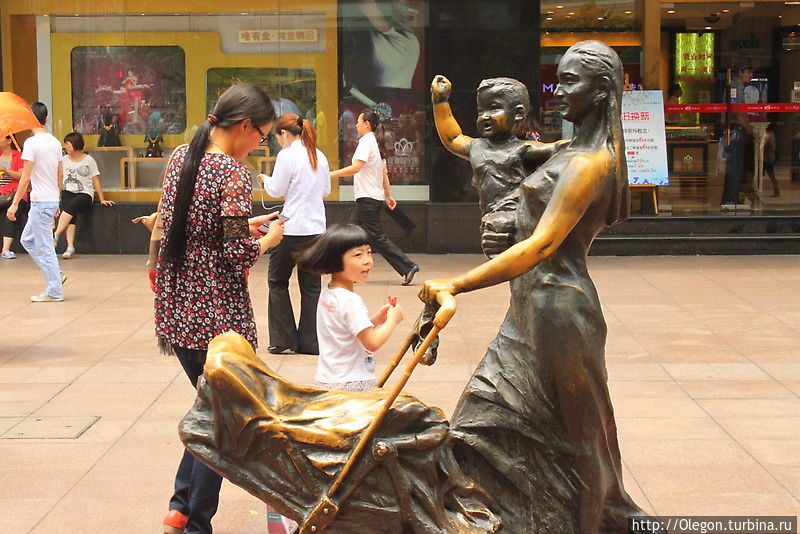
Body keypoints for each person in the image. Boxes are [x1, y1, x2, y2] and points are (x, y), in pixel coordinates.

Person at [420, 41, 652, 532]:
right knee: (481, 420)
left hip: (558, 311)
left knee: (578, 438)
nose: (557, 89)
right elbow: (529, 223)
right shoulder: (569, 152)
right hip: (529, 306)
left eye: (569, 81)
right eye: (558, 79)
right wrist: (509, 226)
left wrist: (457, 283)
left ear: (601, 90)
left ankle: (593, 522)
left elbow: (542, 245)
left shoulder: (587, 164)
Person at [154, 83, 283, 534]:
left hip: (179, 311)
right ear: (245, 126)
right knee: (224, 427)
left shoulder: (181, 158)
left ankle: (179, 509)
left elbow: (191, 226)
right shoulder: (231, 172)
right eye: (261, 136)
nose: (259, 145)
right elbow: (234, 253)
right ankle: (194, 523)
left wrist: (246, 224)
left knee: (210, 413)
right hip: (217, 318)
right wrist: (267, 240)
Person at [431, 75, 566, 257]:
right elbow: (453, 138)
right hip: (491, 218)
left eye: (494, 108)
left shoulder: (524, 150)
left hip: (517, 218)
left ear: (518, 114)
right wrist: (440, 101)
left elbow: (558, 148)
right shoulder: (477, 147)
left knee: (517, 261)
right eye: (480, 111)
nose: (485, 116)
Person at [296, 224, 404, 392]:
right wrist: (392, 321)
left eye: (369, 252)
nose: (367, 260)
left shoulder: (328, 293)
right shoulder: (350, 300)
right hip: (352, 383)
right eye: (358, 255)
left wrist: (374, 321)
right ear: (335, 260)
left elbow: (344, 331)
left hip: (328, 380)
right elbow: (373, 343)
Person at [260, 112, 331, 355]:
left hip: (290, 228)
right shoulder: (318, 155)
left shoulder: (286, 155)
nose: (278, 141)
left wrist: (264, 179)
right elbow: (326, 190)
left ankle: (283, 338)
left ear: (284, 134)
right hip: (316, 228)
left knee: (277, 281)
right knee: (311, 287)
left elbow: (276, 190)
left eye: (278, 137)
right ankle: (311, 342)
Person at [330, 109, 419, 285]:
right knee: (352, 235)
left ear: (366, 124)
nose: (356, 125)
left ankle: (408, 267)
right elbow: (383, 172)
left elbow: (356, 168)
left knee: (376, 237)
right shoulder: (376, 143)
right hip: (370, 198)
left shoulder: (366, 142)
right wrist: (388, 195)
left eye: (358, 122)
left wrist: (331, 174)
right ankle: (347, 271)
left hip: (368, 199)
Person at [6, 102, 66, 302]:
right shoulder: (55, 142)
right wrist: (57, 199)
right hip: (48, 199)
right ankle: (55, 275)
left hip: (41, 201)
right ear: (46, 119)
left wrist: (14, 203)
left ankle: (54, 290)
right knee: (27, 240)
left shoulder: (31, 144)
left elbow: (25, 177)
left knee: (44, 246)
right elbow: (60, 174)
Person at [54, 132, 115, 259]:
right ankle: (70, 247)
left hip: (85, 193)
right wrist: (57, 195)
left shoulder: (89, 160)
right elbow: (59, 178)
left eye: (68, 144)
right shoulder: (63, 160)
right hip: (67, 191)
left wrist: (102, 199)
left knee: (70, 208)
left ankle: (56, 234)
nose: (66, 147)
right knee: (70, 216)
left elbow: (96, 180)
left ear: (76, 144)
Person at [722, 62, 758, 209]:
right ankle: (731, 200)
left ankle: (731, 198)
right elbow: (738, 113)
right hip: (735, 130)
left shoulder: (738, 87)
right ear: (741, 73)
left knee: (735, 166)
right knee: (735, 167)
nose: (751, 75)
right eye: (748, 72)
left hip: (735, 130)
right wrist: (750, 130)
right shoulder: (735, 87)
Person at [0, 135, 27, 259]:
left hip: (15, 193)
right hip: (1, 192)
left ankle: (5, 249)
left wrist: (6, 170)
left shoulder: (19, 156)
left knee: (9, 213)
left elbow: (22, 176)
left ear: (9, 140)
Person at [763, 122, 780, 197]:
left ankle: (776, 192)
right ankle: (776, 191)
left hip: (767, 157)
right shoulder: (771, 134)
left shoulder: (768, 134)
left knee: (771, 175)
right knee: (771, 175)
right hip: (769, 157)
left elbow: (764, 144)